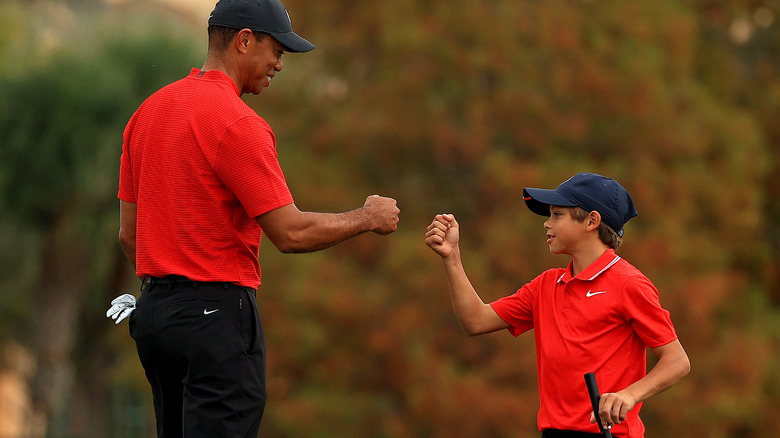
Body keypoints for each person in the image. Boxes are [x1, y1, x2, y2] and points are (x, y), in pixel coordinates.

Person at [112, 0, 399, 436]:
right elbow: (291, 233)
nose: (279, 66)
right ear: (244, 41)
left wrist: (170, 297)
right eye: (277, 52)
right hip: (215, 317)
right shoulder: (237, 123)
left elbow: (130, 237)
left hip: (154, 318)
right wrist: (367, 216)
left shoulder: (147, 113)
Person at [425, 172, 689, 438]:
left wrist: (629, 395)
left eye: (557, 215)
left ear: (591, 221)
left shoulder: (629, 284)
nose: (546, 224)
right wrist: (452, 256)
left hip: (610, 434)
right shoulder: (546, 285)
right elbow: (476, 321)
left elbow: (677, 361)